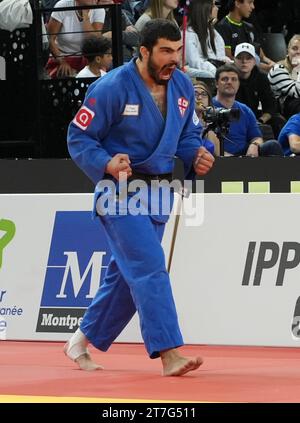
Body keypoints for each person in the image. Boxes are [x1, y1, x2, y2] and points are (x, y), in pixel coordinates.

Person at [66, 19, 215, 376]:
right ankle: (169, 353)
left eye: (177, 51)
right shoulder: (111, 87)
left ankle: (80, 341)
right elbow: (79, 136)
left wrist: (196, 154)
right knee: (149, 268)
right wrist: (105, 161)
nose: (174, 60)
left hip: (159, 193)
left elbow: (186, 135)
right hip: (119, 192)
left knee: (123, 277)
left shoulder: (180, 85)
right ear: (144, 51)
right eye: (165, 51)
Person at [212, 64, 283, 156]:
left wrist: (254, 145)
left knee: (273, 145)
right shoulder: (208, 109)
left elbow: (257, 137)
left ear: (238, 84)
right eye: (225, 79)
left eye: (234, 79)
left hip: (245, 156)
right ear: (217, 83)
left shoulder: (245, 110)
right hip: (217, 157)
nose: (229, 82)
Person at [234, 42, 286, 138]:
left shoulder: (261, 77)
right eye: (240, 58)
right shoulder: (229, 76)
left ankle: (283, 150)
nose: (244, 61)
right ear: (234, 60)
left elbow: (271, 105)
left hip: (254, 116)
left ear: (254, 61)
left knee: (278, 120)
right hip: (232, 116)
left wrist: (261, 120)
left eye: (248, 58)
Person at [46, 0, 105, 78]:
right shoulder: (62, 5)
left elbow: (94, 41)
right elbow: (50, 39)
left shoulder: (99, 10)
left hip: (89, 58)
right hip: (63, 57)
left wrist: (85, 15)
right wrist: (62, 61)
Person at [215, 0, 275, 73]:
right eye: (250, 2)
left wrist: (273, 65)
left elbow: (262, 56)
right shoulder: (222, 27)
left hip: (256, 69)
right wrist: (262, 67)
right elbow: (228, 58)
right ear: (237, 3)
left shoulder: (249, 27)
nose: (253, 7)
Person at [185, 0, 231, 79]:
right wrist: (215, 69)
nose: (217, 8)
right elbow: (194, 62)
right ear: (204, 8)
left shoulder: (212, 31)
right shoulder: (189, 33)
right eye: (213, 5)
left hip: (213, 69)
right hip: (197, 74)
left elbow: (219, 56)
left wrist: (228, 63)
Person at [268, 35, 300, 119]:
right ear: (288, 51)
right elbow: (296, 92)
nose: (298, 52)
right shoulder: (278, 69)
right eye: (295, 48)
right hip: (282, 111)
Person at [192, 79, 220, 155]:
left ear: (209, 101)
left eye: (204, 94)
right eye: (195, 94)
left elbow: (218, 155)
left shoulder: (213, 126)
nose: (200, 97)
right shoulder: (181, 122)